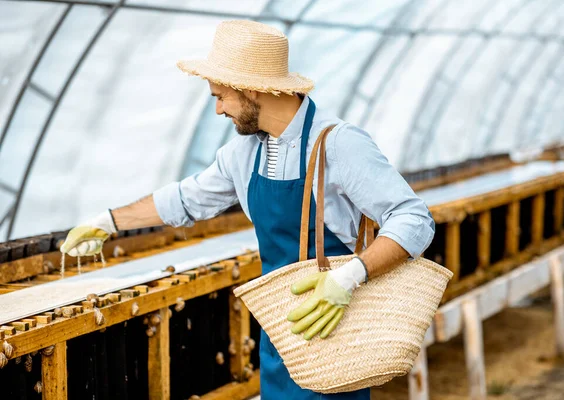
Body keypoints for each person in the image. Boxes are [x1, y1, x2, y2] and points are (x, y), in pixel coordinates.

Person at [61, 20, 435, 400]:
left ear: (255, 90)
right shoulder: (245, 152)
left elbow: (414, 220)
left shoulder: (337, 144)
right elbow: (187, 199)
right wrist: (107, 222)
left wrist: (349, 277)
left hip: (333, 325)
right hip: (280, 331)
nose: (219, 110)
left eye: (221, 96)